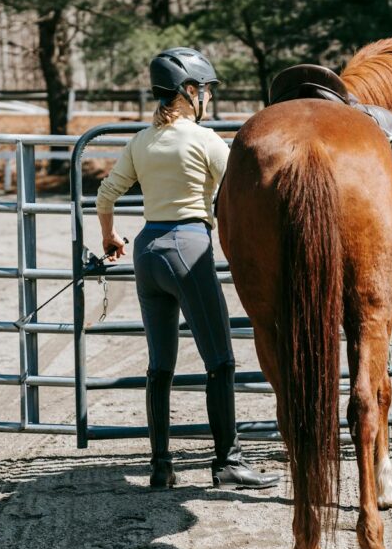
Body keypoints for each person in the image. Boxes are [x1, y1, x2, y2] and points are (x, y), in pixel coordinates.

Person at [95, 47, 279, 490]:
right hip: (188, 248)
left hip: (147, 251)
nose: (209, 99)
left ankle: (161, 467)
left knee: (160, 366)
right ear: (189, 92)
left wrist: (109, 237)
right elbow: (242, 189)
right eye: (207, 91)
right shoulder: (205, 140)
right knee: (220, 360)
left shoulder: (141, 140)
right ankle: (228, 461)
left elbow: (106, 194)